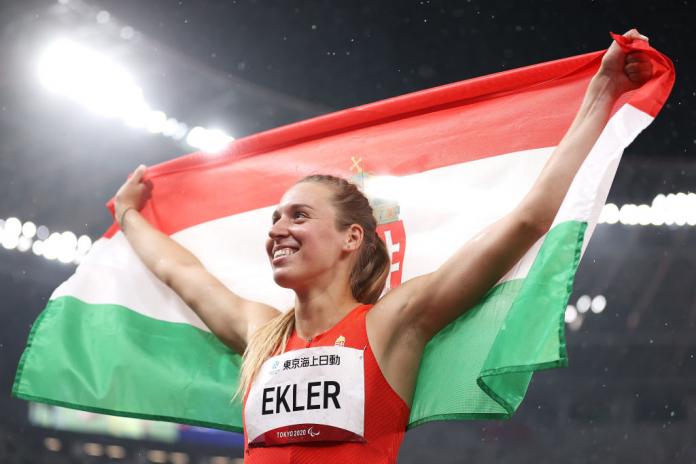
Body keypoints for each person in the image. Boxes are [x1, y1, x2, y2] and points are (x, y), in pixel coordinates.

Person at [113, 29, 652, 463]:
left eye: (298, 215)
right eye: (274, 218)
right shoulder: (260, 334)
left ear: (353, 238)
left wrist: (600, 95)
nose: (276, 229)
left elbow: (531, 217)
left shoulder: (395, 323)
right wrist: (131, 214)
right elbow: (178, 270)